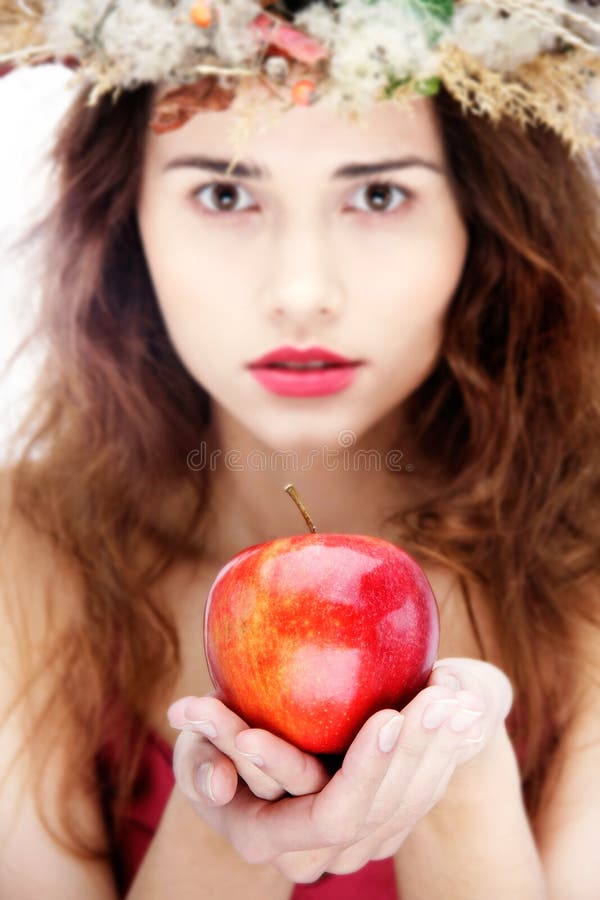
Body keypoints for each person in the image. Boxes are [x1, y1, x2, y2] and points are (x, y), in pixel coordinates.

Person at [0, 1, 599, 897]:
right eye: (226, 193)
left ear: (482, 226)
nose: (301, 290)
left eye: (380, 194)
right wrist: (227, 829)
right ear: (127, 221)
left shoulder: (587, 558)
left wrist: (460, 785)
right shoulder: (25, 550)